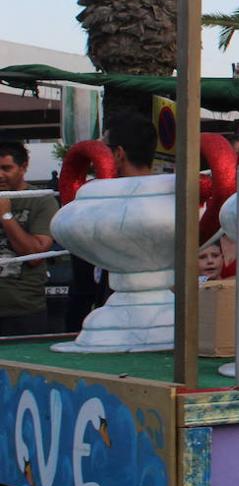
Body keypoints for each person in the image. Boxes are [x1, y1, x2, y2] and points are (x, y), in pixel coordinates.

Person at [66, 113, 156, 330]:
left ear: (117, 153)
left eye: (104, 148)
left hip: (118, 307)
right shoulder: (172, 196)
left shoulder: (99, 200)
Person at [0, 142, 57, 335]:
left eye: (6, 168)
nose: (0, 175)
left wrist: (6, 216)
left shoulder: (41, 199)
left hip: (22, 311)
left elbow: (35, 256)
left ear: (24, 167)